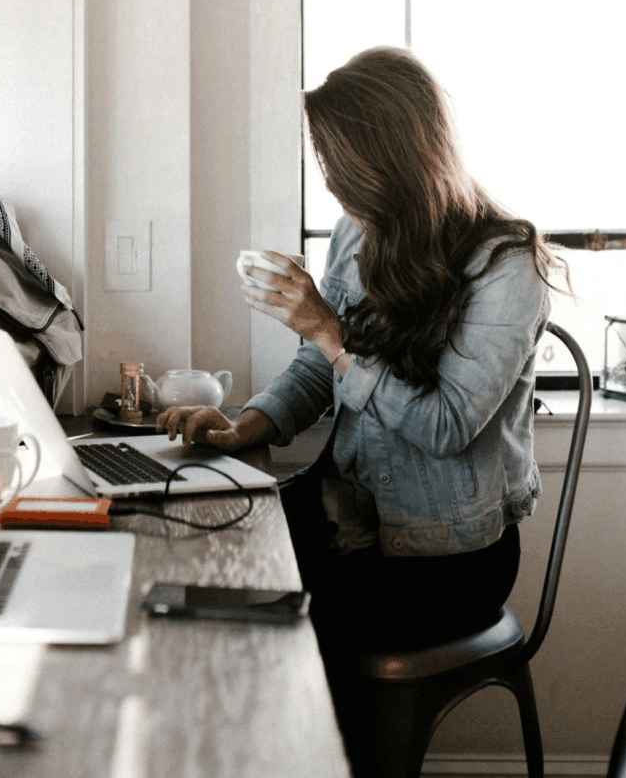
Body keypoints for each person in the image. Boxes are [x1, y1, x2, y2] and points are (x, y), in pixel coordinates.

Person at [155, 45, 567, 770]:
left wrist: (330, 331)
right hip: (350, 515)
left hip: (448, 560)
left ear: (392, 159)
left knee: (279, 628)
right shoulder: (360, 233)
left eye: (342, 170)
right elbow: (321, 363)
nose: (336, 189)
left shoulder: (508, 265)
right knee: (203, 556)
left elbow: (445, 425)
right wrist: (244, 424)